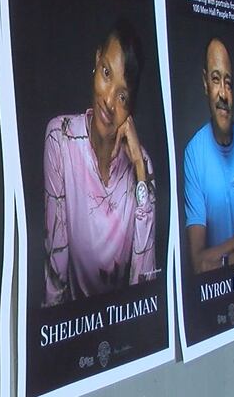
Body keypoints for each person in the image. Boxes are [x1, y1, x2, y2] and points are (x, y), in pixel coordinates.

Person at [41, 19, 157, 307]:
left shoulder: (142, 167)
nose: (108, 100)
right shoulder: (61, 137)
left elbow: (144, 278)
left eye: (122, 95)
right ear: (96, 61)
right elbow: (56, 257)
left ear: (131, 107)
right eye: (107, 73)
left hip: (122, 321)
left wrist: (140, 171)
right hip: (73, 320)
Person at [183, 38, 234, 273]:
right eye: (216, 79)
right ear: (205, 84)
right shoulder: (193, 154)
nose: (223, 94)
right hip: (210, 293)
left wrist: (217, 260)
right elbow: (198, 263)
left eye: (228, 83)